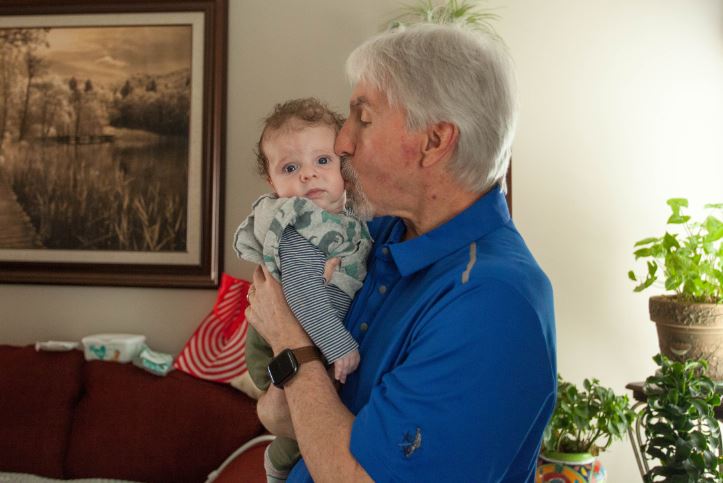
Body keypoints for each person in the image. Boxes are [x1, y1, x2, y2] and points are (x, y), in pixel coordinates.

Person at [245, 24, 557, 482]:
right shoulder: (378, 235)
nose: (341, 142)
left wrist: (290, 343)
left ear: (434, 141)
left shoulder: (492, 304)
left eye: (363, 118)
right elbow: (278, 414)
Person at [233, 98, 372, 482]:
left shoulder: (346, 216)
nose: (309, 175)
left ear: (343, 164)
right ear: (273, 183)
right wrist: (338, 344)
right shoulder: (297, 225)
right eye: (291, 168)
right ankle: (277, 469)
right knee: (303, 421)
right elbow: (301, 292)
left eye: (322, 161)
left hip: (309, 332)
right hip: (274, 345)